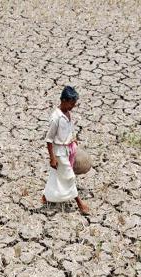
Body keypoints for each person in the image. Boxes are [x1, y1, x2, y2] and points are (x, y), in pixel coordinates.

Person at [42, 86, 89, 215]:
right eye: (71, 103)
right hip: (59, 152)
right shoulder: (55, 118)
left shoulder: (67, 113)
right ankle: (80, 204)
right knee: (69, 177)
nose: (73, 106)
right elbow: (49, 139)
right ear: (63, 100)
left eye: (74, 104)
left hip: (67, 149)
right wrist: (52, 158)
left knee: (55, 175)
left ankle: (45, 197)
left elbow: (66, 131)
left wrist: (71, 140)